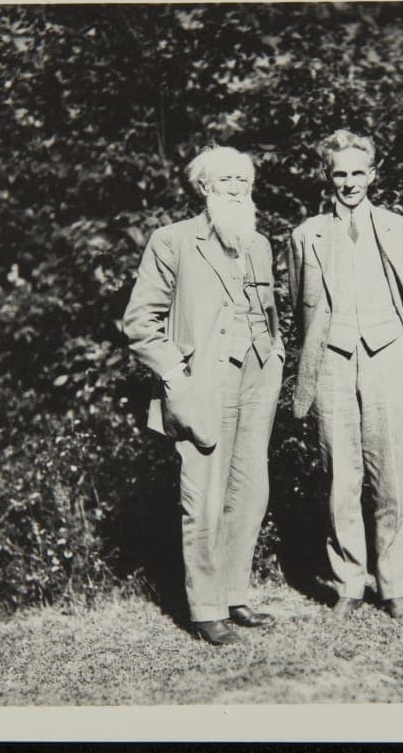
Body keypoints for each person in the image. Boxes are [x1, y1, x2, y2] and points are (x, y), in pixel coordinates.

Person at [123, 145, 284, 646]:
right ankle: (207, 609)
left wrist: (277, 351)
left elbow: (268, 310)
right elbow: (139, 323)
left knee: (250, 492)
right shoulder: (173, 240)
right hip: (203, 384)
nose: (236, 188)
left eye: (243, 179)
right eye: (225, 180)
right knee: (205, 497)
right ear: (204, 187)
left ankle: (234, 594)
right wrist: (176, 374)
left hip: (258, 378)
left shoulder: (259, 243)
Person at [288, 129, 403, 620]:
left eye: (357, 173)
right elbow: (300, 308)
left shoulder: (398, 229)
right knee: (340, 478)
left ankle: (394, 588)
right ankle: (348, 584)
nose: (349, 182)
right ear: (327, 177)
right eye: (339, 173)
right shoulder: (306, 235)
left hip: (388, 359)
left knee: (390, 476)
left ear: (373, 174)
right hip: (331, 363)